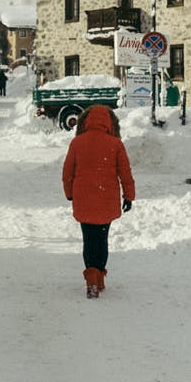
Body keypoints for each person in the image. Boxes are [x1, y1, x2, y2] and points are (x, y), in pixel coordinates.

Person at [62, 103, 135, 298]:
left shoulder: (77, 143)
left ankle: (90, 279)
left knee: (89, 240)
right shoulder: (116, 144)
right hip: (106, 199)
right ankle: (99, 277)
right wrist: (129, 196)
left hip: (83, 198)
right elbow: (125, 173)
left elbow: (68, 172)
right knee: (102, 240)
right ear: (110, 123)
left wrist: (69, 193)